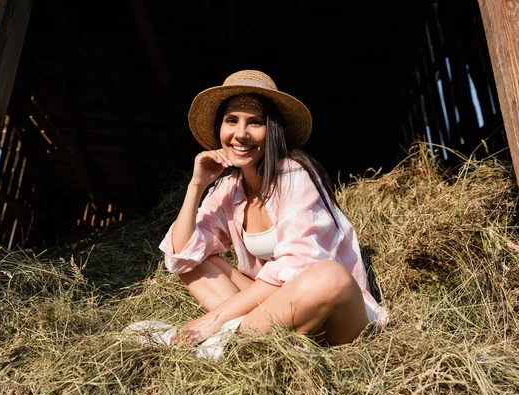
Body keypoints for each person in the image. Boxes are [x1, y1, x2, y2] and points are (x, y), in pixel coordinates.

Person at [159, 69, 388, 349]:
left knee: (331, 277)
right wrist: (196, 186)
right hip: (279, 311)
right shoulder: (228, 188)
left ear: (272, 131)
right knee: (197, 261)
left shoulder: (294, 174)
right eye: (232, 121)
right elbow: (181, 257)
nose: (240, 134)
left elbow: (301, 264)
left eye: (255, 123)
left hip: (332, 316)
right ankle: (250, 338)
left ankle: (227, 339)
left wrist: (215, 319)